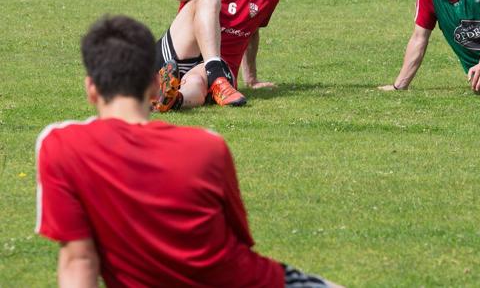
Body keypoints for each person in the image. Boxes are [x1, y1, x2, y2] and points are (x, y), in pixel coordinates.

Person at [35, 15, 342, 287]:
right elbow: (237, 240)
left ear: (91, 88)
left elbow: (79, 260)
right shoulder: (206, 146)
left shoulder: (59, 146)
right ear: (157, 87)